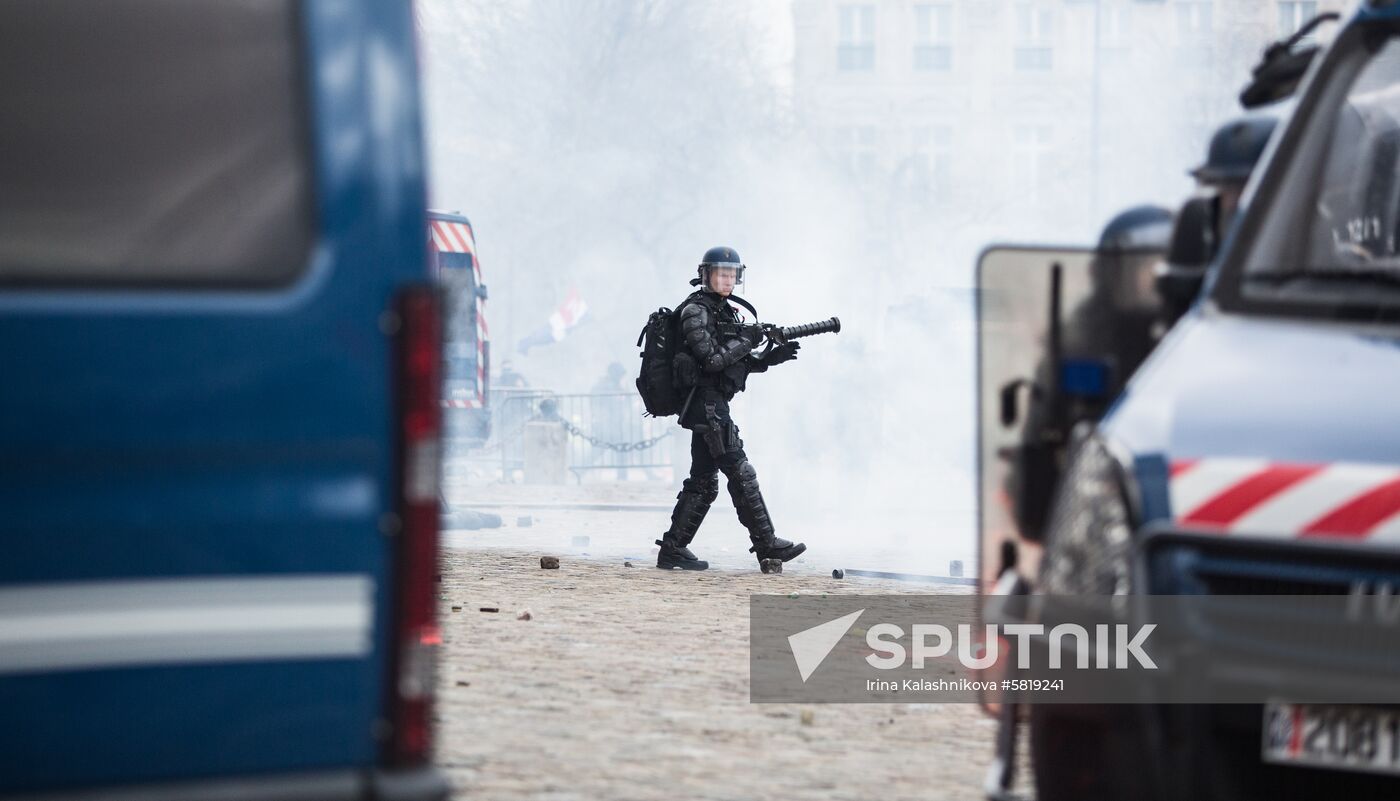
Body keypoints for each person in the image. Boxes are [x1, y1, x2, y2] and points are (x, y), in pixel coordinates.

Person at [655, 246, 805, 571]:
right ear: (706, 275)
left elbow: (733, 362)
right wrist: (748, 341)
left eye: (732, 274)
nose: (727, 280)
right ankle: (766, 544)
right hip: (705, 405)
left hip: (712, 403)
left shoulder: (724, 311)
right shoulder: (695, 311)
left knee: (703, 481)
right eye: (721, 274)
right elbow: (711, 360)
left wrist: (767, 359)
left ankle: (673, 548)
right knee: (740, 470)